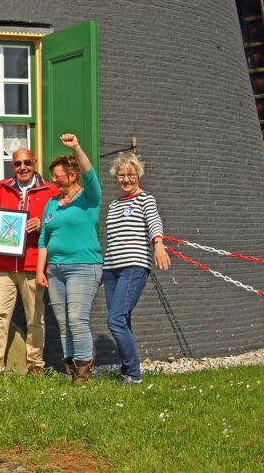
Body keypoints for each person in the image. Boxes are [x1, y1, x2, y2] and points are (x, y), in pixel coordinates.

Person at [0, 149, 58, 375]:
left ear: (35, 162)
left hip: (32, 264)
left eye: (27, 162)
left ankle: (35, 364)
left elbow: (61, 220)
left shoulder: (50, 190)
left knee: (35, 318)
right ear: (12, 166)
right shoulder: (3, 187)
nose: (23, 167)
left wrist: (43, 223)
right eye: (17, 164)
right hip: (3, 264)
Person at [36, 134, 102, 384]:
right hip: (55, 270)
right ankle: (72, 370)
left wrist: (76, 146)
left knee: (77, 319)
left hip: (83, 268)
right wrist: (40, 271)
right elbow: (44, 237)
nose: (53, 179)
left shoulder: (89, 198)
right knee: (64, 322)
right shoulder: (52, 203)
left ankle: (84, 372)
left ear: (72, 176)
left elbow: (90, 173)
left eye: (58, 175)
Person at [103, 152, 171, 386]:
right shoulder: (113, 205)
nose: (126, 180)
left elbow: (154, 222)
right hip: (112, 268)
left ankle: (133, 375)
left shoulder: (145, 200)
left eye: (130, 175)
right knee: (123, 320)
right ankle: (127, 372)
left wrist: (158, 244)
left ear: (138, 175)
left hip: (134, 266)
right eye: (121, 175)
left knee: (115, 320)